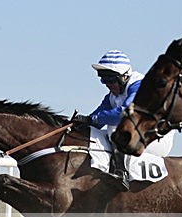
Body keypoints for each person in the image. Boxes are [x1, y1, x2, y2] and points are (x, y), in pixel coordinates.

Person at [74, 50, 173, 190]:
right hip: (138, 135)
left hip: (155, 138)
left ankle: (121, 173)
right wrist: (80, 124)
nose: (106, 84)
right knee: (94, 135)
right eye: (102, 79)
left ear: (124, 77)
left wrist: (94, 118)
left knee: (115, 128)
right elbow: (98, 117)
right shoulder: (112, 95)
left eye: (109, 80)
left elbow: (123, 114)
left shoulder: (139, 86)